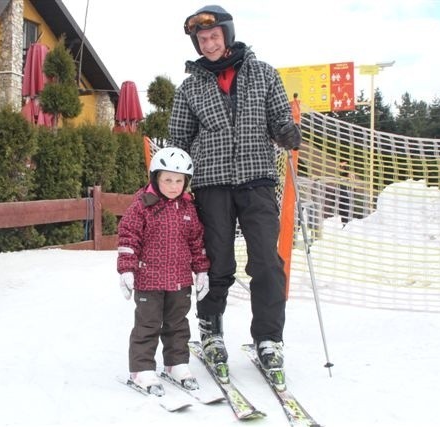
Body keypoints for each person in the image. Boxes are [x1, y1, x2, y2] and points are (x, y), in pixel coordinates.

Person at [168, 5, 302, 377]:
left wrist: (287, 132)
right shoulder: (190, 87)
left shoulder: (263, 74)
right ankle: (211, 329)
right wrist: (167, 183)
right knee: (216, 264)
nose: (208, 44)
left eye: (213, 36)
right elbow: (178, 140)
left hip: (257, 179)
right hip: (212, 185)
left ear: (226, 33)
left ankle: (269, 339)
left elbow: (278, 120)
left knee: (266, 262)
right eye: (201, 39)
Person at [117, 147, 211, 396]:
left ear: (186, 182)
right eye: (167, 179)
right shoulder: (143, 204)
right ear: (155, 178)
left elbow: (197, 242)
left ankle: (175, 364)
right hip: (149, 279)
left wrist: (202, 271)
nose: (173, 185)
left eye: (178, 181)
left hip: (180, 280)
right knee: (147, 325)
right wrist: (126, 270)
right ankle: (141, 369)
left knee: (178, 325)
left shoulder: (189, 208)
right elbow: (129, 236)